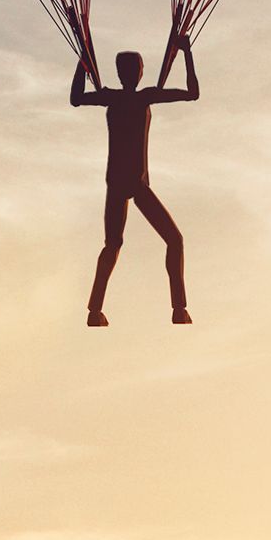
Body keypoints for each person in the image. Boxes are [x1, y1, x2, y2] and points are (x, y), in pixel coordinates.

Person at [73, 33, 197, 325]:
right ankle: (179, 309)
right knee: (174, 240)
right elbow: (193, 93)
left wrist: (83, 55)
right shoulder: (144, 97)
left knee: (113, 244)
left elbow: (76, 98)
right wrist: (187, 52)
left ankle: (94, 311)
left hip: (115, 182)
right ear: (139, 72)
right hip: (137, 183)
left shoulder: (111, 98)